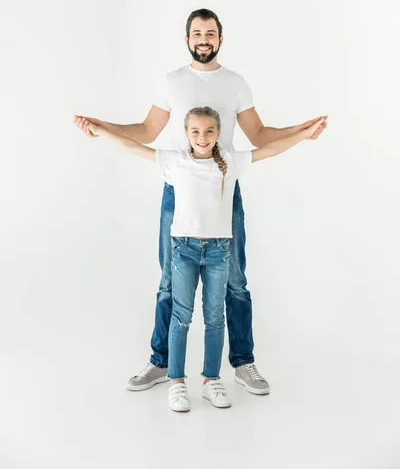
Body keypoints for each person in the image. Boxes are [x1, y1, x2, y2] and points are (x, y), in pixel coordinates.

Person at [74, 8, 327, 396]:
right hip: (178, 190)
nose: (203, 39)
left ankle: (243, 363)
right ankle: (160, 363)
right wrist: (101, 126)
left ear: (220, 39)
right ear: (187, 39)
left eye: (210, 33)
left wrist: (303, 130)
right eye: (196, 33)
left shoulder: (236, 83)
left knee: (236, 281)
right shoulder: (172, 82)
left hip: (224, 189)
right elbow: (144, 131)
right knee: (168, 282)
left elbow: (260, 136)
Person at [79, 107, 325, 411]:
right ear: (186, 134)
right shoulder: (175, 162)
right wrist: (101, 130)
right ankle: (176, 382)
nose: (202, 137)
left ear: (218, 133)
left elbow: (270, 149)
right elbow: (133, 146)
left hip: (219, 251)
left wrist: (302, 135)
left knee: (214, 318)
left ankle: (211, 380)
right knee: (180, 317)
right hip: (183, 249)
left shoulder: (230, 163)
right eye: (195, 132)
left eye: (209, 131)